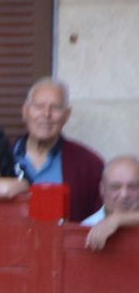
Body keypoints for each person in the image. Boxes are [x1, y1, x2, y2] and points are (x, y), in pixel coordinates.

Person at [14, 78, 105, 223]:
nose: (46, 114)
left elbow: (104, 215)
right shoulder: (2, 157)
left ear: (67, 115)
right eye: (39, 106)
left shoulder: (89, 165)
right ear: (25, 111)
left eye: (55, 108)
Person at [83, 155, 139, 251]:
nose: (124, 195)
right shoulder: (85, 228)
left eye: (133, 187)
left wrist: (118, 219)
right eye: (115, 187)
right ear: (102, 189)